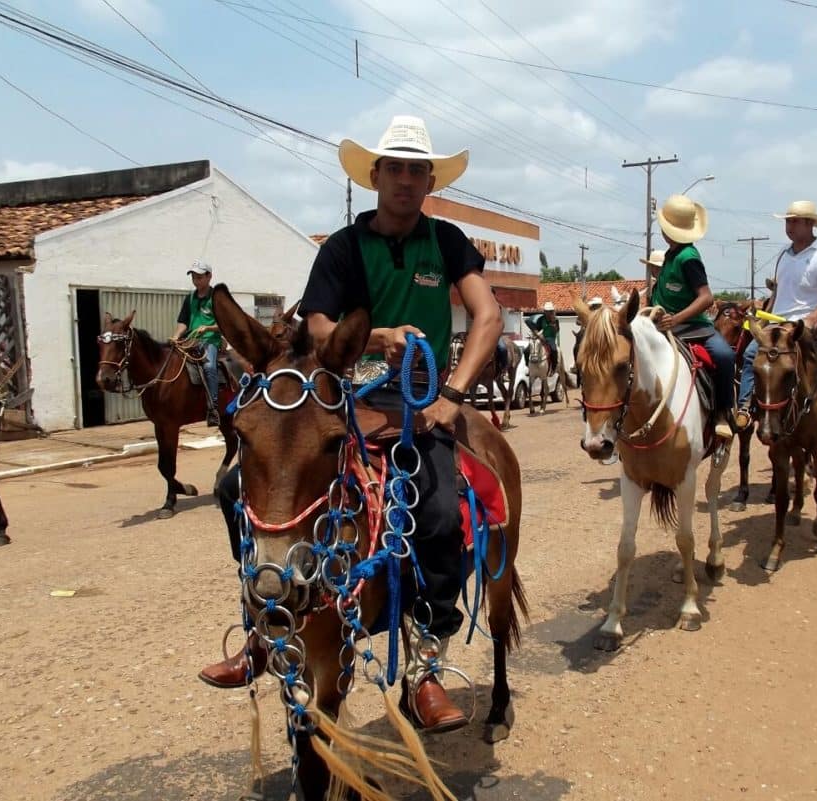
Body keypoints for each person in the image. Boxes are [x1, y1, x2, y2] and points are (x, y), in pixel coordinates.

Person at [200, 115, 499, 735]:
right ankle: (264, 622)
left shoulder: (447, 242)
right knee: (233, 489)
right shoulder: (341, 247)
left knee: (438, 513)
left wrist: (453, 396)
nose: (406, 180)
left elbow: (489, 316)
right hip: (343, 396)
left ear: (429, 181)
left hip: (420, 404)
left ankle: (425, 664)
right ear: (375, 175)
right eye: (396, 168)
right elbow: (315, 325)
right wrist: (378, 336)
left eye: (418, 170)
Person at [734, 200, 817, 433]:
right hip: (778, 325)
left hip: (814, 326)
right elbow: (778, 292)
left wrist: (813, 318)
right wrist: (764, 316)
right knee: (750, 355)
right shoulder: (783, 254)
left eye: (794, 222)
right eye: (788, 222)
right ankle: (746, 406)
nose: (789, 226)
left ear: (809, 224)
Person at [646, 196, 735, 439]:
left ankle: (722, 413)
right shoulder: (670, 255)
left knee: (725, 356)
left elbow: (706, 298)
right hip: (662, 327)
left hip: (694, 328)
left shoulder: (688, 258)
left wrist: (675, 319)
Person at [171, 261, 221, 426]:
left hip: (210, 340)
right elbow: (183, 322)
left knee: (209, 367)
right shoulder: (189, 298)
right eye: (193, 277)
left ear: (209, 276)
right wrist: (176, 336)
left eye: (199, 277)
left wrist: (208, 327)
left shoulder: (216, 298)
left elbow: (224, 323)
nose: (196, 281)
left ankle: (213, 408)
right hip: (191, 340)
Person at [526, 301, 560, 371]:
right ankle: (528, 366)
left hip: (550, 338)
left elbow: (557, 331)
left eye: (549, 311)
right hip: (540, 338)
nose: (547, 313)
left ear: (552, 311)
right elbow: (528, 321)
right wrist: (538, 334)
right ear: (544, 311)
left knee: (554, 350)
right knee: (526, 350)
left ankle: (553, 368)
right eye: (546, 311)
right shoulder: (541, 319)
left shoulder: (555, 320)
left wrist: (554, 325)